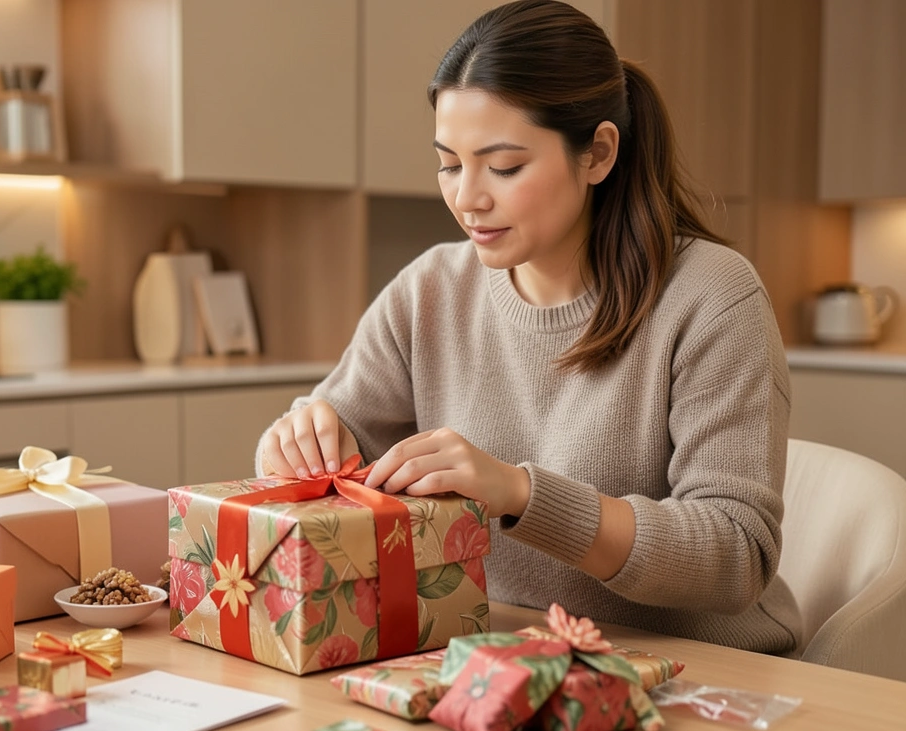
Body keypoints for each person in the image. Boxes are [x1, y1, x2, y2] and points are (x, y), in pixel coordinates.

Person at [256, 0, 801, 654]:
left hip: (693, 669)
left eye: (505, 167)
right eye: (449, 164)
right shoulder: (430, 290)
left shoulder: (711, 296)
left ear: (598, 153)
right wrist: (294, 443)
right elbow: (328, 437)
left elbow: (736, 554)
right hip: (506, 653)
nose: (467, 198)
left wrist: (518, 494)